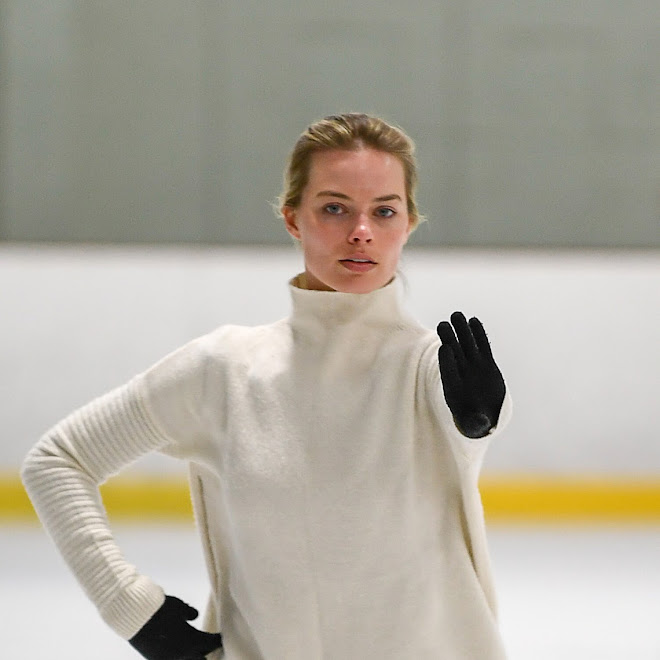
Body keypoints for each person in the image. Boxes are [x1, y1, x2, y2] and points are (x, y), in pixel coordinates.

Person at [22, 113, 512, 659]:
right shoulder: (225, 369)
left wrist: (482, 421)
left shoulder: (432, 369)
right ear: (292, 219)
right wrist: (132, 610)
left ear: (409, 224)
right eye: (334, 208)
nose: (361, 231)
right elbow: (57, 461)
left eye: (384, 211)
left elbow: (468, 436)